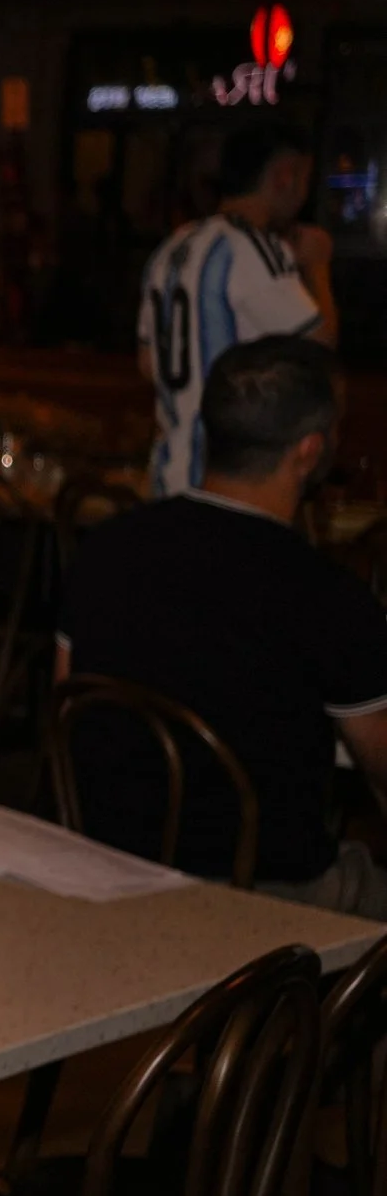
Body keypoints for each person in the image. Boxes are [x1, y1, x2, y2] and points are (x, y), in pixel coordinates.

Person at [58, 335, 387, 915]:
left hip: (101, 867)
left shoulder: (104, 550)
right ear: (309, 451)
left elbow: (67, 702)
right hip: (259, 899)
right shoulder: (326, 595)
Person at [139, 119, 338, 498]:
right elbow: (320, 346)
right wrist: (318, 267)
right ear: (284, 176)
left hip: (167, 477)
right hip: (226, 488)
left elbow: (148, 364)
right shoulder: (253, 246)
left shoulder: (171, 249)